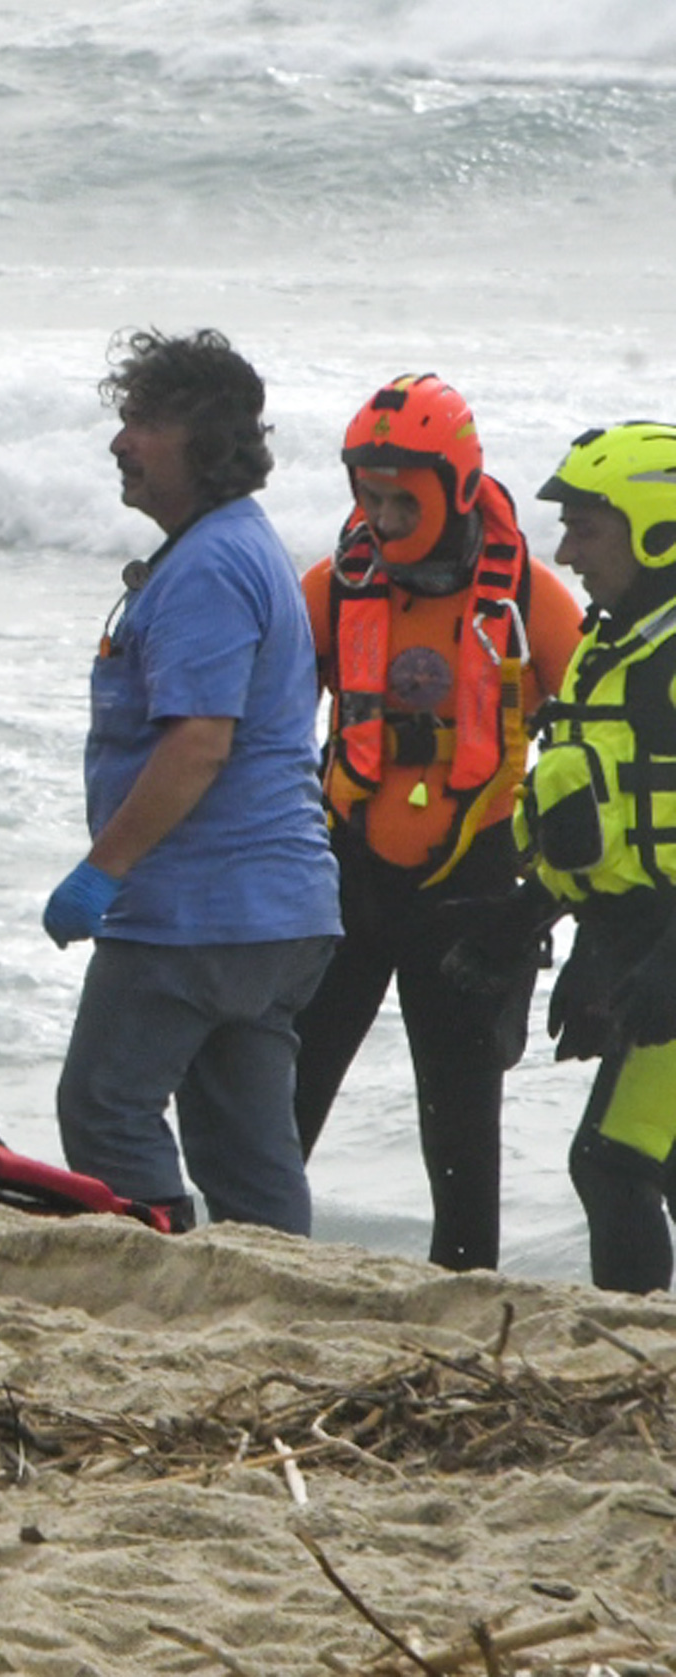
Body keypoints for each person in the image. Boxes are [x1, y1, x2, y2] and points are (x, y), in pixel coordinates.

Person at [45, 330, 338, 1234]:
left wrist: (103, 870)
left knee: (104, 1105)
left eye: (147, 421)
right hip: (282, 913)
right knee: (248, 1150)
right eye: (125, 416)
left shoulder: (210, 565)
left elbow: (198, 745)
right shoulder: (239, 545)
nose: (121, 440)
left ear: (208, 444)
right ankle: (278, 1302)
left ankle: (159, 1273)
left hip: (201, 911)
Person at [288, 376, 577, 1272]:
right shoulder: (331, 591)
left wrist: (550, 897)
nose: (378, 514)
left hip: (473, 890)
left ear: (455, 484)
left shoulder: (533, 599)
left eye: (398, 495)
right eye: (365, 493)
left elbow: (599, 751)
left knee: (461, 1130)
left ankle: (464, 1292)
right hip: (346, 876)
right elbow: (255, 727)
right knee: (281, 1100)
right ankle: (245, 1258)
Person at [518, 423, 676, 1292]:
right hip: (641, 937)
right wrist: (526, 920)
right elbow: (605, 819)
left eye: (587, 528)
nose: (566, 552)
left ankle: (637, 1368)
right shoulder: (616, 642)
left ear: (655, 525)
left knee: (611, 1162)